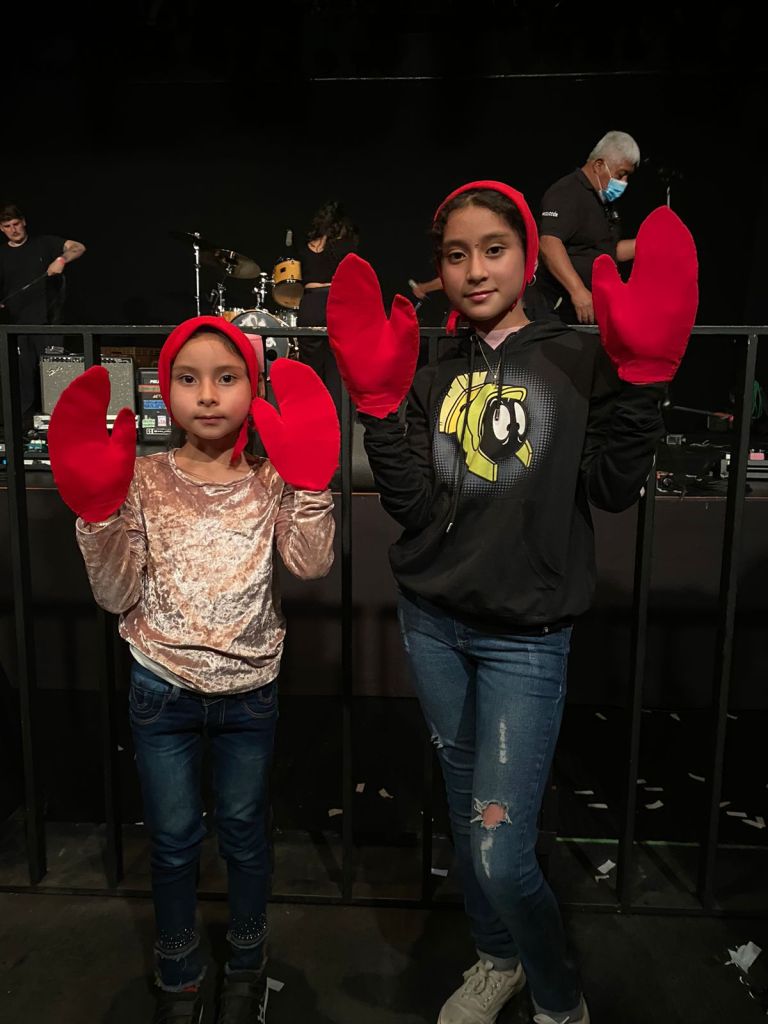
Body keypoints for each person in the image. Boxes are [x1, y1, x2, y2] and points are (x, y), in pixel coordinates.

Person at [327, 181, 697, 1024]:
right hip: (433, 624)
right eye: (455, 255)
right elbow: (416, 507)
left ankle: (559, 996)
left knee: (497, 845)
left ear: (528, 257)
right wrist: (383, 409)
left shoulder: (572, 354)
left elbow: (609, 488)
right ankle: (497, 960)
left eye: (492, 248)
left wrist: (639, 382)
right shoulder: (436, 371)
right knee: (468, 817)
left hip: (525, 638)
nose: (473, 268)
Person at [46, 316, 340, 1023]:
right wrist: (98, 514)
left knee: (243, 833)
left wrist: (309, 484)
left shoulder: (270, 482)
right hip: (162, 689)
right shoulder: (144, 477)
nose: (208, 395)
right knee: (174, 842)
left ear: (253, 389)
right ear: (164, 391)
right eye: (188, 378)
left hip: (250, 692)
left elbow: (309, 562)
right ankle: (178, 967)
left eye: (227, 377)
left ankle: (247, 957)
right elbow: (117, 594)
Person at [535, 131, 640, 325]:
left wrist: (649, 243)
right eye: (621, 174)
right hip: (560, 312)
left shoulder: (603, 201)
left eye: (627, 176)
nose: (624, 182)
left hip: (591, 312)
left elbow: (607, 250)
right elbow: (549, 243)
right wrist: (577, 290)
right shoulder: (566, 192)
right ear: (599, 165)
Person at [0, 202, 86, 423]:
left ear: (24, 222)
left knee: (55, 380)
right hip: (17, 329)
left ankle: (65, 425)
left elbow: (78, 247)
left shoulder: (44, 244)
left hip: (49, 325)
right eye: (7, 226)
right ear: (2, 229)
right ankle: (25, 431)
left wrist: (61, 259)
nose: (14, 229)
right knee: (24, 384)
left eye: (16, 223)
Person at [296, 200, 358, 411]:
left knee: (310, 372)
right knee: (336, 373)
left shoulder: (305, 247)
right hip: (334, 303)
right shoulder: (346, 245)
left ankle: (310, 423)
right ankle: (338, 429)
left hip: (310, 303)